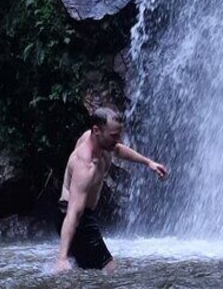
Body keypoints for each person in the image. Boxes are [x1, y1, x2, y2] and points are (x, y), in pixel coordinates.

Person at [53, 107, 167, 274]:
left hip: (81, 215)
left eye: (119, 134)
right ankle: (61, 265)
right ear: (96, 131)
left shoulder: (102, 143)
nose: (118, 140)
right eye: (114, 136)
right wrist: (61, 257)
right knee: (109, 269)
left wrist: (148, 162)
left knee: (84, 271)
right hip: (75, 217)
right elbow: (73, 214)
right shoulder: (85, 165)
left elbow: (119, 149)